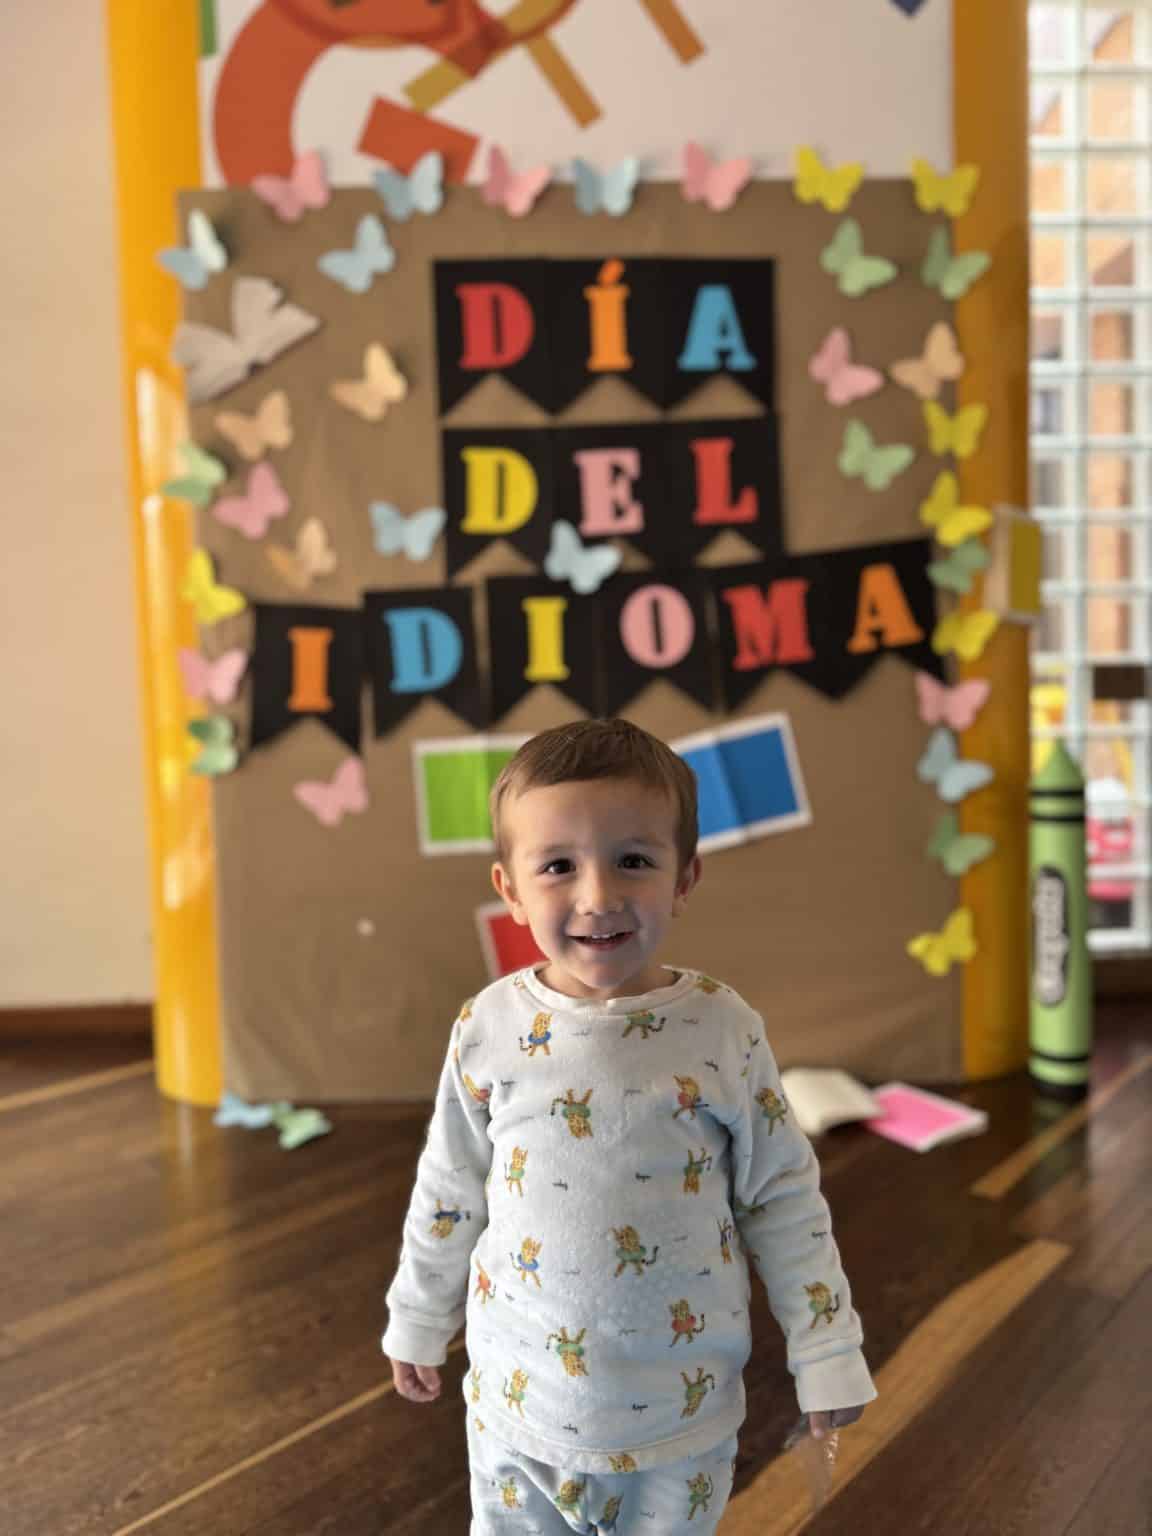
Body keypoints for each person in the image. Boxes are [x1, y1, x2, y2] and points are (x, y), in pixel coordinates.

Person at [382, 717, 875, 1532]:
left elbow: (782, 1197)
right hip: (518, 1412)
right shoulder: (488, 1027)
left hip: (678, 1427)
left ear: (684, 878)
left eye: (634, 861)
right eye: (558, 866)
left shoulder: (722, 1028)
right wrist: (419, 1315)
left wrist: (826, 1349)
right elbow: (449, 1187)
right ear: (510, 889)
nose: (598, 896)